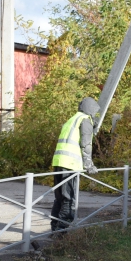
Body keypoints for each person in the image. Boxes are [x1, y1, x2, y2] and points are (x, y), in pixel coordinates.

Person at [50, 97, 100, 231]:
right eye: (94, 112)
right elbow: (86, 144)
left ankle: (54, 229)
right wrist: (88, 164)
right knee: (69, 199)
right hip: (70, 164)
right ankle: (61, 233)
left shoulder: (72, 119)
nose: (94, 115)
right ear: (90, 110)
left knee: (59, 199)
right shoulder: (85, 120)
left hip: (58, 162)